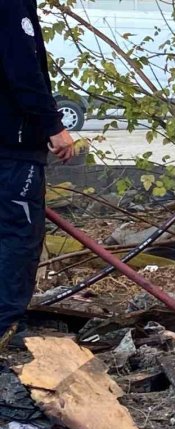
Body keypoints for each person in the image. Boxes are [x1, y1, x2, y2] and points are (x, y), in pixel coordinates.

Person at [0, 0, 76, 346]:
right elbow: (23, 68)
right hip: (13, 145)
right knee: (18, 234)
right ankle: (6, 326)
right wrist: (52, 125)